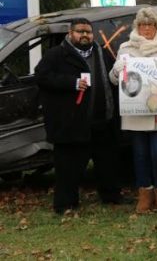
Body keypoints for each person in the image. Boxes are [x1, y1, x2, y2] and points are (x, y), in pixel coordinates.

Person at [35, 18, 122, 214]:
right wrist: (71, 82)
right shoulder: (56, 54)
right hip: (71, 122)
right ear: (70, 34)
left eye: (88, 32)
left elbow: (112, 77)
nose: (84, 35)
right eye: (80, 31)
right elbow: (41, 76)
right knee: (68, 166)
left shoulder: (101, 52)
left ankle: (111, 196)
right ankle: (65, 203)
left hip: (102, 119)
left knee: (107, 162)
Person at [109, 8, 157, 213]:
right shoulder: (125, 48)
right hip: (136, 112)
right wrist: (117, 71)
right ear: (137, 27)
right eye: (142, 25)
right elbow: (113, 80)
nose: (146, 29)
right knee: (140, 155)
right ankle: (145, 194)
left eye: (150, 25)